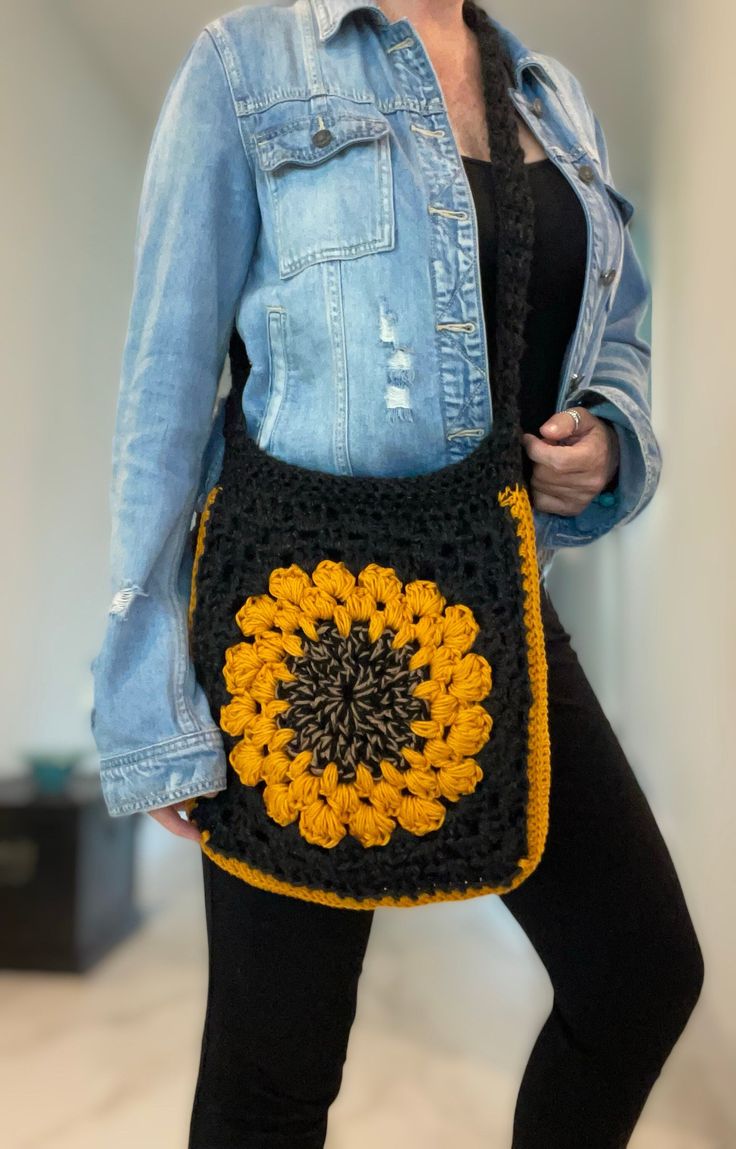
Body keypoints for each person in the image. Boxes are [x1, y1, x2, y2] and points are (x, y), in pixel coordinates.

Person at [89, 1, 704, 1145]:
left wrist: (614, 436)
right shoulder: (246, 63)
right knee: (275, 1070)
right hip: (291, 626)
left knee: (640, 975)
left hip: (495, 599)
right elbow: (163, 395)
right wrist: (143, 690)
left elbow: (615, 333)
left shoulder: (549, 94)